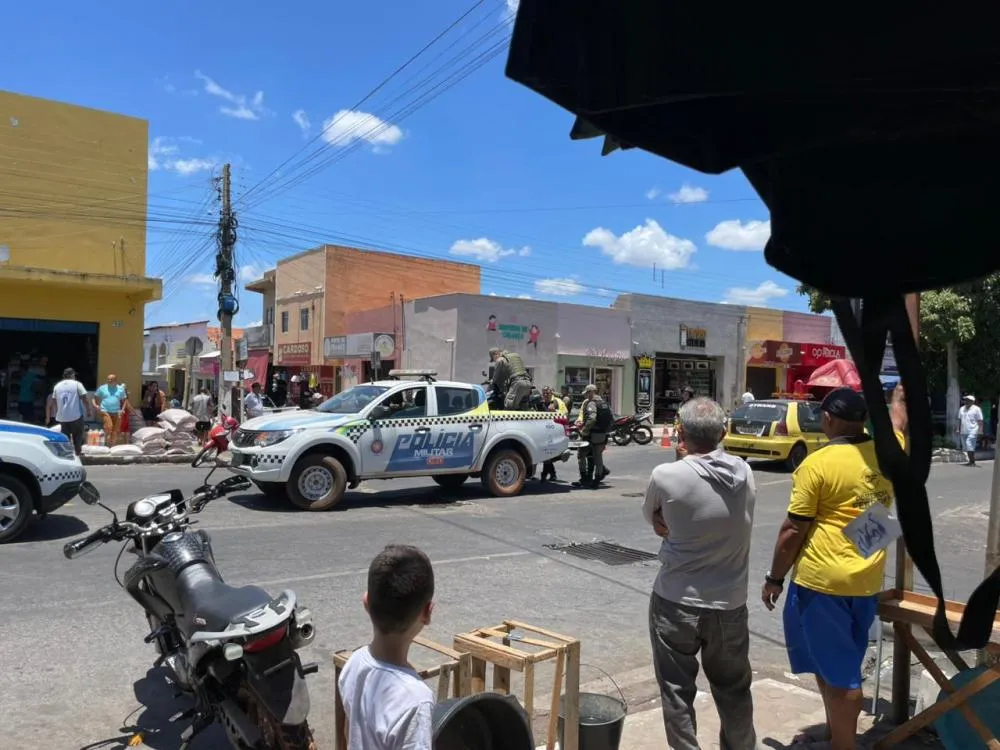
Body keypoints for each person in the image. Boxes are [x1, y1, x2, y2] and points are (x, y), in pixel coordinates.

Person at [761, 386, 906, 750]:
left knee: (842, 679)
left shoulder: (818, 464)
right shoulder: (890, 451)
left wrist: (774, 578)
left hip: (822, 583)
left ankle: (845, 745)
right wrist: (900, 397)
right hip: (865, 579)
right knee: (834, 664)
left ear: (828, 419)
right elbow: (900, 423)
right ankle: (833, 731)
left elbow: (793, 529)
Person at [643, 397, 759, 750]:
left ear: (679, 433)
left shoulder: (666, 475)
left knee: (677, 691)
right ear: (724, 432)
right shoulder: (745, 472)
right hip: (730, 605)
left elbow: (656, 520)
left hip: (676, 601)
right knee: (734, 690)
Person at [338, 545, 435, 750]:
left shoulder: (354, 663)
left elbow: (350, 732)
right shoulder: (416, 702)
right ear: (427, 613)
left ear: (366, 602)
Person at [573, 384, 612, 489]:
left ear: (591, 392)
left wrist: (584, 430)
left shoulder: (592, 403)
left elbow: (592, 418)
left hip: (591, 434)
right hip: (601, 434)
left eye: (587, 393)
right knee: (598, 456)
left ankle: (584, 478)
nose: (586, 395)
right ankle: (597, 480)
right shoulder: (603, 403)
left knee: (581, 455)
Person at [51, 368, 90, 456]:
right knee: (78, 434)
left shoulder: (57, 385)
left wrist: (57, 412)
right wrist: (89, 410)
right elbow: (85, 398)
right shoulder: (77, 384)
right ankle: (77, 452)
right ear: (72, 375)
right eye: (74, 375)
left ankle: (67, 453)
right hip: (75, 415)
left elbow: (54, 400)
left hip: (62, 416)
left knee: (65, 436)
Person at [539, 386, 568, 482]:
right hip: (543, 430)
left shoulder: (557, 401)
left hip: (554, 430)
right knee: (546, 453)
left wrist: (554, 411)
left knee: (547, 454)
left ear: (551, 392)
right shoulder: (541, 402)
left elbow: (565, 413)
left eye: (547, 393)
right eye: (544, 393)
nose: (546, 395)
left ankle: (545, 475)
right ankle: (551, 474)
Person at [92, 373, 126, 447]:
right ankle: (107, 444)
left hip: (117, 412)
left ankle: (112, 446)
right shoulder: (102, 388)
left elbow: (124, 400)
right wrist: (96, 406)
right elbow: (94, 398)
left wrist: (122, 410)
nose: (109, 380)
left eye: (111, 379)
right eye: (108, 379)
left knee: (115, 430)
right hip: (105, 410)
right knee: (109, 426)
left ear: (115, 381)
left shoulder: (120, 389)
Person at [957, 394, 984, 466]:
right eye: (965, 400)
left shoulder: (977, 409)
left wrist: (980, 430)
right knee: (966, 447)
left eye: (968, 400)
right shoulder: (961, 409)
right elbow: (959, 419)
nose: (966, 401)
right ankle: (971, 462)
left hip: (973, 430)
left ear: (972, 401)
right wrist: (958, 428)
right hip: (963, 430)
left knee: (969, 444)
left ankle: (973, 462)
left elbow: (980, 420)